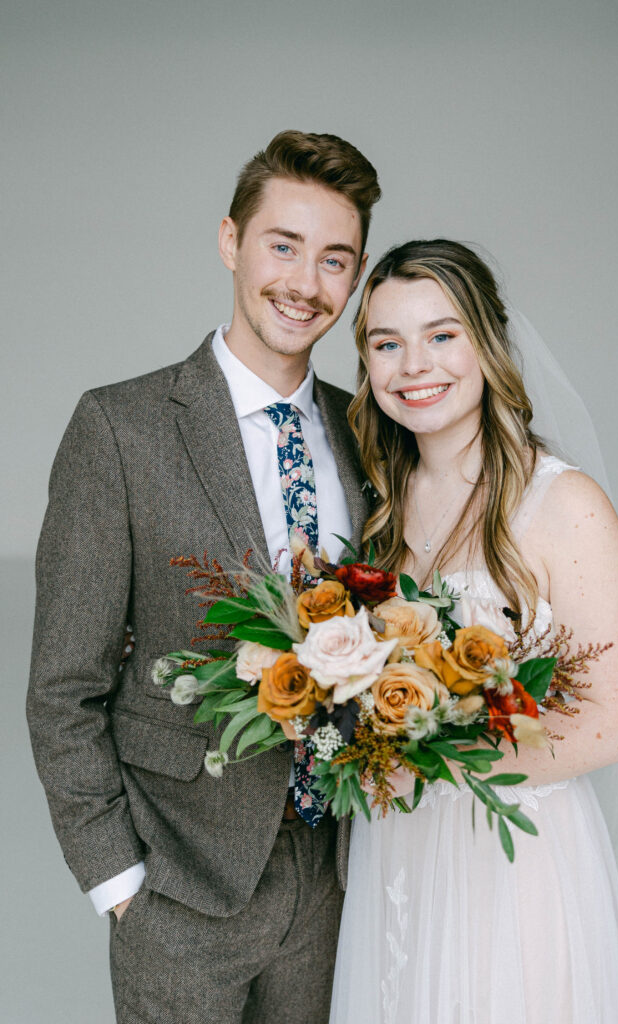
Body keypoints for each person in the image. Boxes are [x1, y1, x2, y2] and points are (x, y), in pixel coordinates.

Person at [26, 130, 380, 1024]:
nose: (304, 283)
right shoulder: (122, 428)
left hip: (339, 879)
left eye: (333, 259)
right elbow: (63, 686)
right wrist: (119, 884)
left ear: (356, 274)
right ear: (230, 241)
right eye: (282, 245)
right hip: (180, 886)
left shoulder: (372, 437)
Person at [329, 240, 618, 1024]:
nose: (414, 364)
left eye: (441, 335)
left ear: (487, 345)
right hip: (396, 856)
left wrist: (433, 768)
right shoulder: (375, 506)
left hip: (514, 857)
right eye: (386, 343)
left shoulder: (561, 504)